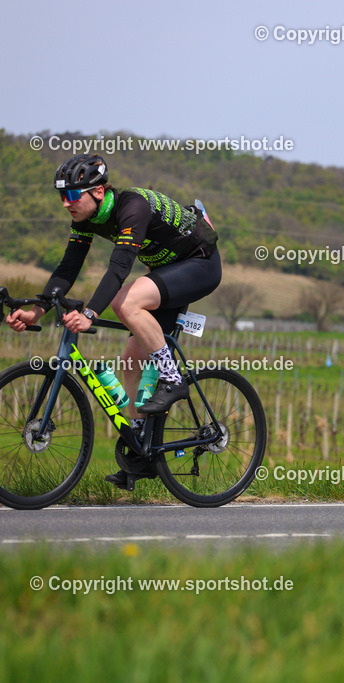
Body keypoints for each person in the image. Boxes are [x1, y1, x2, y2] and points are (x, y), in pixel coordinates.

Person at [4, 154, 221, 488]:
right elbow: (68, 267)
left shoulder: (132, 207)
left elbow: (119, 268)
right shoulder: (85, 220)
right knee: (131, 359)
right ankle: (142, 453)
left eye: (73, 195)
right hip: (167, 271)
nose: (66, 203)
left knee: (125, 303)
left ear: (100, 192)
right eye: (62, 196)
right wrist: (38, 309)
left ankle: (172, 377)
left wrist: (91, 313)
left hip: (200, 264)